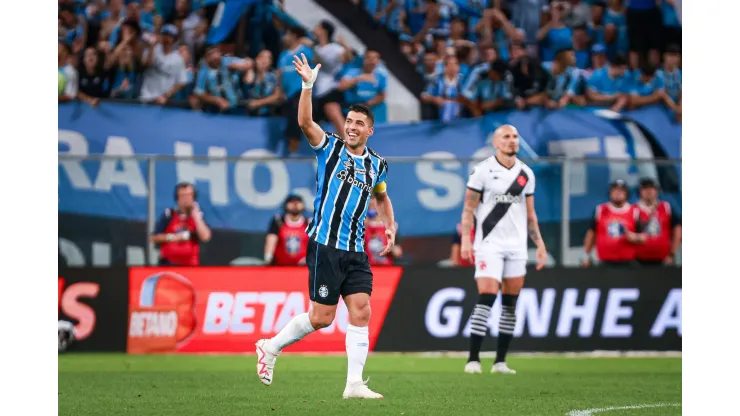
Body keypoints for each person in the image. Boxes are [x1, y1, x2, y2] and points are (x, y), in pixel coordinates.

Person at [255, 53, 395, 400]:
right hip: (325, 245)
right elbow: (305, 122)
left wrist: (390, 226)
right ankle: (270, 347)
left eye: (358, 123)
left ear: (369, 130)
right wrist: (307, 87)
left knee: (361, 310)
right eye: (348, 121)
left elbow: (381, 197)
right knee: (321, 318)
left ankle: (354, 385)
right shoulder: (330, 148)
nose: (351, 126)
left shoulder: (377, 165)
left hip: (356, 249)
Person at [459, 125, 548, 375]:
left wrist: (539, 243)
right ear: (496, 143)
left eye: (516, 137)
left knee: (510, 304)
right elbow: (468, 209)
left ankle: (500, 362)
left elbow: (530, 214)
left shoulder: (526, 174)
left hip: (517, 246)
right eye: (507, 137)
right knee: (487, 297)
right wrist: (467, 239)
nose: (512, 141)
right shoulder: (483, 171)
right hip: (489, 244)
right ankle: (473, 359)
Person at [581, 179, 643, 267]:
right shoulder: (600, 210)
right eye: (615, 190)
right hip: (605, 261)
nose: (617, 193)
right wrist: (586, 255)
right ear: (610, 193)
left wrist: (633, 237)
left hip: (628, 262)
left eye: (621, 190)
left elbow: (644, 237)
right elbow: (591, 233)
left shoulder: (635, 212)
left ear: (626, 194)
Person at [150, 183, 212, 266]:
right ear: (177, 198)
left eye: (189, 195)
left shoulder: (197, 216)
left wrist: (196, 216)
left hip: (191, 265)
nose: (186, 199)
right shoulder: (169, 214)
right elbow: (153, 237)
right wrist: (173, 237)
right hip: (168, 263)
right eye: (183, 196)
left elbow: (205, 237)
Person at [633, 178, 682, 266]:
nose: (649, 191)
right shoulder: (632, 209)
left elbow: (678, 230)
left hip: (664, 260)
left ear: (657, 191)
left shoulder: (667, 207)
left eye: (652, 188)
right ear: (639, 191)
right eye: (645, 188)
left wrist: (671, 254)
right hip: (638, 261)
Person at [264, 195, 310, 266]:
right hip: (280, 267)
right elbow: (271, 239)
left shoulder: (308, 223)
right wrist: (268, 259)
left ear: (303, 205)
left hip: (303, 267)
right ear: (285, 205)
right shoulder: (278, 221)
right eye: (291, 202)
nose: (295, 204)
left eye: (298, 202)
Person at [365, 198, 402, 266]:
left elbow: (398, 250)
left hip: (386, 267)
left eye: (375, 202)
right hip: (367, 266)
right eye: (369, 203)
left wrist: (393, 251)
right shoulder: (360, 225)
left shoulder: (392, 226)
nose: (372, 204)